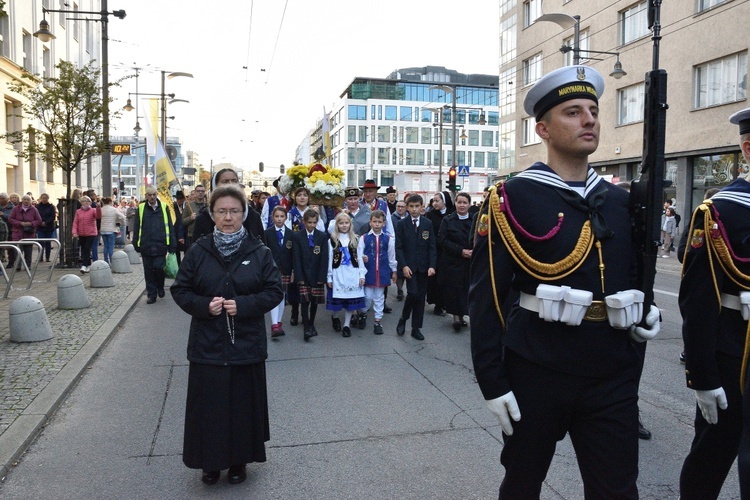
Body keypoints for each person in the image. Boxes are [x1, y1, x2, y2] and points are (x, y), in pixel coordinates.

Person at [469, 65, 660, 498]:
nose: (590, 119)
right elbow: (488, 297)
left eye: (592, 110)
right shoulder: (513, 197)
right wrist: (492, 380)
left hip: (611, 370)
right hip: (536, 367)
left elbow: (633, 274)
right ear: (543, 129)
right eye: (573, 112)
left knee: (617, 489)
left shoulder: (620, 202)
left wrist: (647, 309)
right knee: (522, 483)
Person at [170, 184, 283, 486]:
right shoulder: (199, 250)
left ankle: (238, 462)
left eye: (235, 211)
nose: (228, 217)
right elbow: (180, 290)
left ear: (244, 214)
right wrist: (204, 306)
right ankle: (210, 462)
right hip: (207, 343)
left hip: (246, 343)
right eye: (222, 211)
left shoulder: (259, 252)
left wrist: (244, 305)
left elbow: (274, 291)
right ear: (212, 214)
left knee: (241, 406)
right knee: (210, 406)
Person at [678, 106, 750, 499]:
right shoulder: (721, 210)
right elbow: (698, 299)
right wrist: (703, 377)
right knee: (712, 455)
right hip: (736, 354)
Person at [395, 194, 437, 341]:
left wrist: (432, 265)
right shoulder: (402, 224)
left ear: (422, 207)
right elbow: (398, 248)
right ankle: (403, 318)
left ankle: (416, 328)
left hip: (424, 267)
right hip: (409, 266)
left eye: (417, 206)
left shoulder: (427, 223)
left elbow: (432, 246)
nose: (414, 209)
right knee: (412, 293)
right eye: (411, 206)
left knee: (420, 298)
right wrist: (404, 266)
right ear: (407, 208)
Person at [193, 169, 266, 245]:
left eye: (234, 181)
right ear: (215, 186)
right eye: (225, 181)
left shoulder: (252, 216)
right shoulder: (203, 218)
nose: (230, 184)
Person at [132, 186, 176, 304]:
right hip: (146, 244)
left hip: (160, 243)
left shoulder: (163, 207)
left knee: (158, 268)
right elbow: (136, 226)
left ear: (157, 195)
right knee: (148, 271)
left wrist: (172, 243)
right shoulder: (141, 208)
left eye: (154, 194)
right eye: (149, 195)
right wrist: (135, 242)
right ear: (146, 196)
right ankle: (152, 294)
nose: (152, 197)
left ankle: (160, 286)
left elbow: (170, 226)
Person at [326, 212, 366, 338]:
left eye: (346, 223)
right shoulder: (332, 240)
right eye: (341, 223)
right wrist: (329, 276)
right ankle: (335, 317)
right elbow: (330, 259)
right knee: (337, 301)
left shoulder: (356, 239)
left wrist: (361, 275)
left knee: (350, 301)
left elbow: (359, 258)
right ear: (337, 224)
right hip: (338, 272)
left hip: (352, 273)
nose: (344, 225)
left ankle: (347, 325)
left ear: (350, 224)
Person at [438, 191, 473, 331]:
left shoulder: (474, 220)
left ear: (469, 204)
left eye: (465, 202)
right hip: (452, 261)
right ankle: (456, 317)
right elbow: (442, 240)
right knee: (453, 289)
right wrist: (460, 251)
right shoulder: (448, 220)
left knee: (466, 289)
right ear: (455, 203)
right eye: (459, 202)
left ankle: (463, 314)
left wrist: (472, 251)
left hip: (469, 261)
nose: (462, 205)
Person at [292, 209, 329, 341]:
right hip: (303, 274)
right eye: (309, 222)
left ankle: (311, 323)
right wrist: (299, 277)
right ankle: (306, 327)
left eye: (314, 222)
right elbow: (296, 258)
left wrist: (322, 277)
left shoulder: (322, 236)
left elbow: (324, 258)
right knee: (304, 301)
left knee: (314, 302)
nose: (311, 225)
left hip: (316, 274)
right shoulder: (297, 236)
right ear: (304, 222)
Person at [359, 209, 397, 335]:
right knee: (367, 297)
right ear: (370, 222)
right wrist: (362, 260)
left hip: (382, 272)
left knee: (379, 298)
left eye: (379, 222)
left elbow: (391, 256)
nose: (377, 224)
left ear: (384, 223)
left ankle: (377, 321)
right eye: (374, 221)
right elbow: (359, 255)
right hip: (368, 272)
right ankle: (363, 313)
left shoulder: (388, 239)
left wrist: (394, 271)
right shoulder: (364, 238)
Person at [264, 206, 294, 338]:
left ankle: (278, 322)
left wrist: (293, 271)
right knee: (274, 294)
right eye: (276, 216)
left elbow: (293, 254)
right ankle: (274, 325)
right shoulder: (267, 233)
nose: (279, 219)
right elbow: (264, 253)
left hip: (286, 269)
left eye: (282, 216)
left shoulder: (291, 234)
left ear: (286, 218)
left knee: (282, 295)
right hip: (272, 269)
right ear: (273, 218)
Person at [425, 191, 454, 316]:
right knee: (436, 279)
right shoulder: (430, 215)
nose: (435, 203)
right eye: (433, 201)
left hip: (449, 252)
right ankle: (437, 303)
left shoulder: (452, 214)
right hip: (436, 251)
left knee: (448, 279)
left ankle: (447, 303)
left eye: (437, 201)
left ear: (444, 201)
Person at [9, 194, 42, 270]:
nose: (26, 201)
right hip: (17, 233)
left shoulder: (34, 210)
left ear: (30, 201)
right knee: (18, 251)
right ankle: (18, 265)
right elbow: (11, 219)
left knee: (28, 251)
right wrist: (19, 223)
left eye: (28, 200)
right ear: (22, 200)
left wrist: (31, 223)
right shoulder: (15, 209)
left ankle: (28, 266)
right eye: (24, 199)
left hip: (29, 233)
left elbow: (39, 220)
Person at [71, 195, 101, 273]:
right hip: (81, 233)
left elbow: (98, 217)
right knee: (84, 249)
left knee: (87, 248)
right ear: (81, 203)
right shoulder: (78, 211)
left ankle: (84, 265)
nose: (85, 203)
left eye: (87, 201)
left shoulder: (93, 210)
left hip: (91, 233)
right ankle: (88, 264)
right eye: (84, 201)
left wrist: (98, 208)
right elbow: (75, 222)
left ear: (90, 203)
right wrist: (74, 232)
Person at [99, 197, 126, 265]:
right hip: (111, 230)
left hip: (103, 230)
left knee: (106, 246)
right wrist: (121, 223)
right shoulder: (114, 210)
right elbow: (122, 217)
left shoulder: (101, 210)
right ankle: (111, 261)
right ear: (110, 202)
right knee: (111, 246)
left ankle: (106, 261)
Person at [35, 193, 57, 263]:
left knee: (48, 243)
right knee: (40, 242)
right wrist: (41, 222)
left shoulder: (51, 207)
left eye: (46, 198)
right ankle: (40, 257)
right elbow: (36, 215)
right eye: (43, 198)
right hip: (40, 227)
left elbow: (52, 216)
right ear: (41, 198)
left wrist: (46, 222)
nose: (44, 199)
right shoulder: (37, 207)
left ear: (48, 199)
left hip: (49, 227)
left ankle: (47, 257)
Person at [173, 190, 188, 266]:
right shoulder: (173, 207)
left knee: (187, 250)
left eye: (181, 199)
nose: (179, 201)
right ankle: (178, 266)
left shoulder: (187, 206)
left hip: (185, 232)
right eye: (178, 199)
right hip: (175, 232)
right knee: (176, 251)